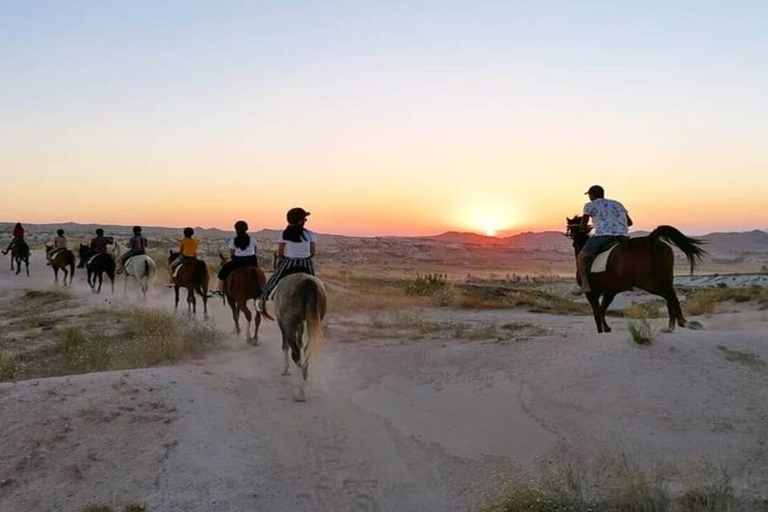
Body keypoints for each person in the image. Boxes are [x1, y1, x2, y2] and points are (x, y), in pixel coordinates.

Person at [573, 185, 633, 294]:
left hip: (603, 236)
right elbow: (629, 223)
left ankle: (585, 285)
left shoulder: (589, 206)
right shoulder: (617, 204)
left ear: (591, 195)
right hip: (623, 236)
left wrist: (588, 228)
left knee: (581, 257)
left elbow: (582, 226)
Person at [256, 207, 316, 312]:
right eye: (305, 219)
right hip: (305, 263)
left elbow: (280, 253)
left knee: (274, 278)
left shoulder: (284, 234)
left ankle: (262, 298)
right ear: (301, 221)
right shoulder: (310, 234)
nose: (306, 220)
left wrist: (283, 259)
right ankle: (317, 305)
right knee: (314, 283)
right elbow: (312, 252)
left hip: (289, 262)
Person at [212, 220, 258, 296]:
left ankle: (220, 290)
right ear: (246, 229)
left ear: (236, 229)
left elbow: (232, 253)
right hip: (252, 261)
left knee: (222, 272)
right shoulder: (253, 240)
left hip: (238, 262)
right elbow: (255, 252)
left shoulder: (233, 241)